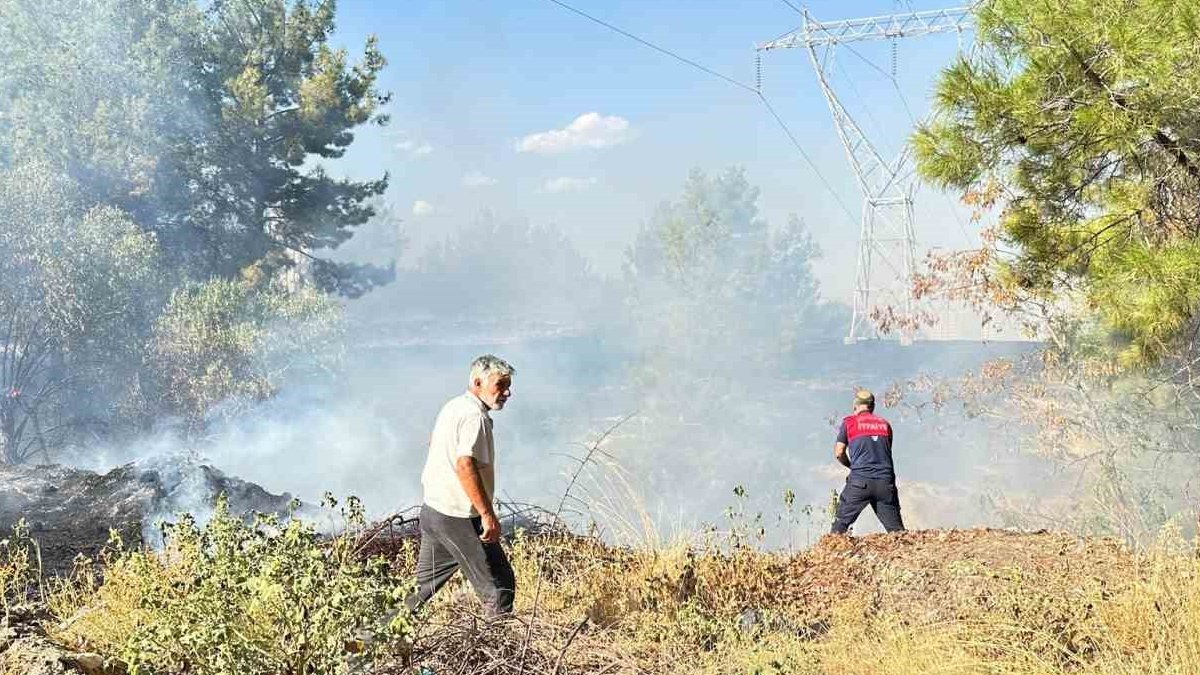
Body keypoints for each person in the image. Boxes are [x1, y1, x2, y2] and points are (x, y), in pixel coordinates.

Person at [405, 354, 516, 616]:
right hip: (459, 519)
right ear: (478, 383)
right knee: (499, 590)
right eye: (500, 385)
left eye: (508, 386)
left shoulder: (454, 406)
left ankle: (367, 637)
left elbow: (435, 443)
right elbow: (465, 465)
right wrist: (487, 515)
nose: (507, 393)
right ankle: (497, 643)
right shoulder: (475, 417)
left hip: (435, 512)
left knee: (418, 592)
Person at [829, 388, 905, 535]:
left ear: (855, 406)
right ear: (872, 407)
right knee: (897, 532)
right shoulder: (885, 425)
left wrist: (851, 465)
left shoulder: (849, 423)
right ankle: (906, 547)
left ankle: (832, 545)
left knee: (839, 528)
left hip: (860, 482)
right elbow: (885, 451)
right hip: (885, 483)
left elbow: (839, 453)